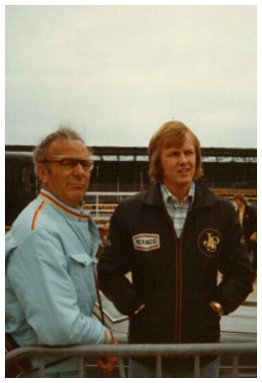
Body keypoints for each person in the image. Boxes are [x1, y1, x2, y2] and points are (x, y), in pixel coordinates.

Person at [97, 120, 254, 378]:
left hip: (201, 354)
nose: (184, 160)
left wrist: (217, 305)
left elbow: (241, 273)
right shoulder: (131, 212)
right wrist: (135, 306)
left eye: (189, 152)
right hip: (147, 354)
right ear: (157, 162)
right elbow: (108, 272)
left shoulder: (221, 212)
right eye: (174, 154)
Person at [5, 128, 117, 378]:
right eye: (68, 163)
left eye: (85, 164)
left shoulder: (64, 222)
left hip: (62, 365)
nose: (80, 172)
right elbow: (59, 326)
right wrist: (104, 336)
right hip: (42, 370)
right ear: (43, 172)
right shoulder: (39, 230)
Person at [234, 194, 257, 272]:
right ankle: (247, 269)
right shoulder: (237, 212)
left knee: (255, 253)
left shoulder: (250, 210)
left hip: (252, 236)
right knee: (244, 253)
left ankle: (254, 269)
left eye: (237, 200)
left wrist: (255, 232)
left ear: (241, 201)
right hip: (243, 236)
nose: (236, 202)